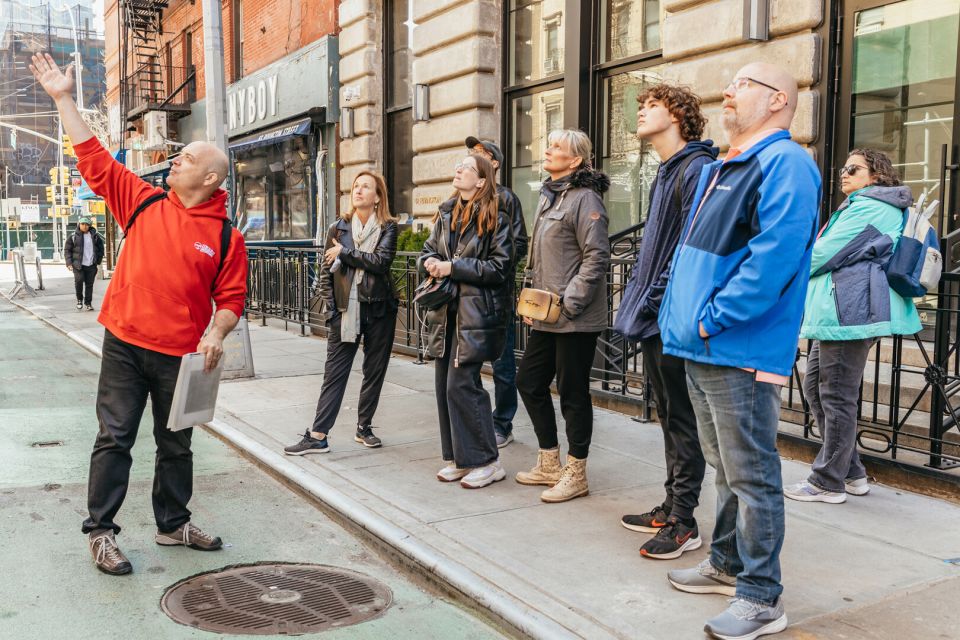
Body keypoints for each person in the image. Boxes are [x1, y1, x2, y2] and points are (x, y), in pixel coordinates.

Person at [32, 53, 248, 576]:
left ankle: (173, 523)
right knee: (115, 438)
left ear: (211, 177)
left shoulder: (225, 236)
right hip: (126, 346)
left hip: (182, 357)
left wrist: (217, 333)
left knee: (177, 445)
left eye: (187, 158)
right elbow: (93, 157)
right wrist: (63, 97)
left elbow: (232, 301)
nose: (175, 160)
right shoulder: (145, 201)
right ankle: (101, 532)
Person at [658, 63, 821, 639]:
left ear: (778, 99)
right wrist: (684, 321)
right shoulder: (726, 164)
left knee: (752, 476)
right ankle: (727, 563)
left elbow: (774, 259)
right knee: (726, 469)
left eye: (744, 83)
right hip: (704, 345)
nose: (728, 91)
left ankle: (761, 598)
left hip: (736, 348)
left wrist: (710, 320)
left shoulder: (786, 163)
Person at [614, 84, 718, 559]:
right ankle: (672, 503)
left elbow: (686, 248)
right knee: (668, 415)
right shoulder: (667, 170)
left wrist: (653, 300)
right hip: (657, 314)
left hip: (670, 316)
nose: (641, 113)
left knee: (681, 419)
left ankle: (684, 521)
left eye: (651, 105)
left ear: (677, 116)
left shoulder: (695, 169)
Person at [785, 150, 921, 504]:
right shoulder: (860, 204)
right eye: (843, 167)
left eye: (854, 168)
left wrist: (781, 269)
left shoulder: (874, 207)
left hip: (850, 314)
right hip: (837, 314)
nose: (843, 173)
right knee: (816, 388)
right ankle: (852, 472)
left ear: (876, 175)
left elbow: (824, 253)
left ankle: (827, 481)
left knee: (836, 396)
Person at [515, 129, 610, 503]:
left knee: (572, 394)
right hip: (546, 314)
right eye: (549, 144)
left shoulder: (586, 199)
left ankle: (577, 472)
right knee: (529, 382)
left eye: (557, 147)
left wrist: (568, 304)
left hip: (575, 318)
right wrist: (532, 305)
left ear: (575, 160)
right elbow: (539, 259)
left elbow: (596, 257)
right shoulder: (550, 196)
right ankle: (549, 461)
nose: (548, 149)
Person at [284, 172, 399, 454]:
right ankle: (318, 434)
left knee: (374, 371)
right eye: (356, 186)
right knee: (334, 373)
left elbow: (380, 262)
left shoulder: (388, 228)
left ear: (377, 197)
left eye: (366, 187)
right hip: (346, 312)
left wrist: (344, 254)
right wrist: (331, 309)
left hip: (380, 310)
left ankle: (364, 427)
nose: (358, 191)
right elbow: (325, 273)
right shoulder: (338, 228)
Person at [420, 154, 513, 489]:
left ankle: (487, 460)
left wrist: (453, 268)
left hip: (476, 314)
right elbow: (427, 251)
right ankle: (459, 458)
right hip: (446, 312)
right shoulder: (446, 214)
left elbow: (500, 268)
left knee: (462, 386)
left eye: (467, 168)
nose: (458, 170)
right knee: (444, 385)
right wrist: (431, 262)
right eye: (457, 165)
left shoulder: (497, 219)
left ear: (482, 181)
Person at [465, 137, 527, 448]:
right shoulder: (464, 198)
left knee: (503, 365)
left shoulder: (506, 198)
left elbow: (519, 243)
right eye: (471, 153)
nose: (473, 157)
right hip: (465, 297)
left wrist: (491, 266)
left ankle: (503, 422)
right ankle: (477, 418)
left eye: (481, 154)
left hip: (496, 296)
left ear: (495, 164)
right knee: (468, 364)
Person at [64, 215, 104, 311]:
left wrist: (98, 260)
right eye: (82, 224)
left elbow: (101, 248)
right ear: (79, 224)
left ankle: (88, 303)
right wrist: (69, 263)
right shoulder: (73, 236)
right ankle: (79, 300)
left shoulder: (95, 236)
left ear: (89, 225)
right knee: (79, 282)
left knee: (89, 285)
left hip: (91, 265)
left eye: (86, 224)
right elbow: (67, 250)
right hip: (78, 265)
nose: (84, 226)